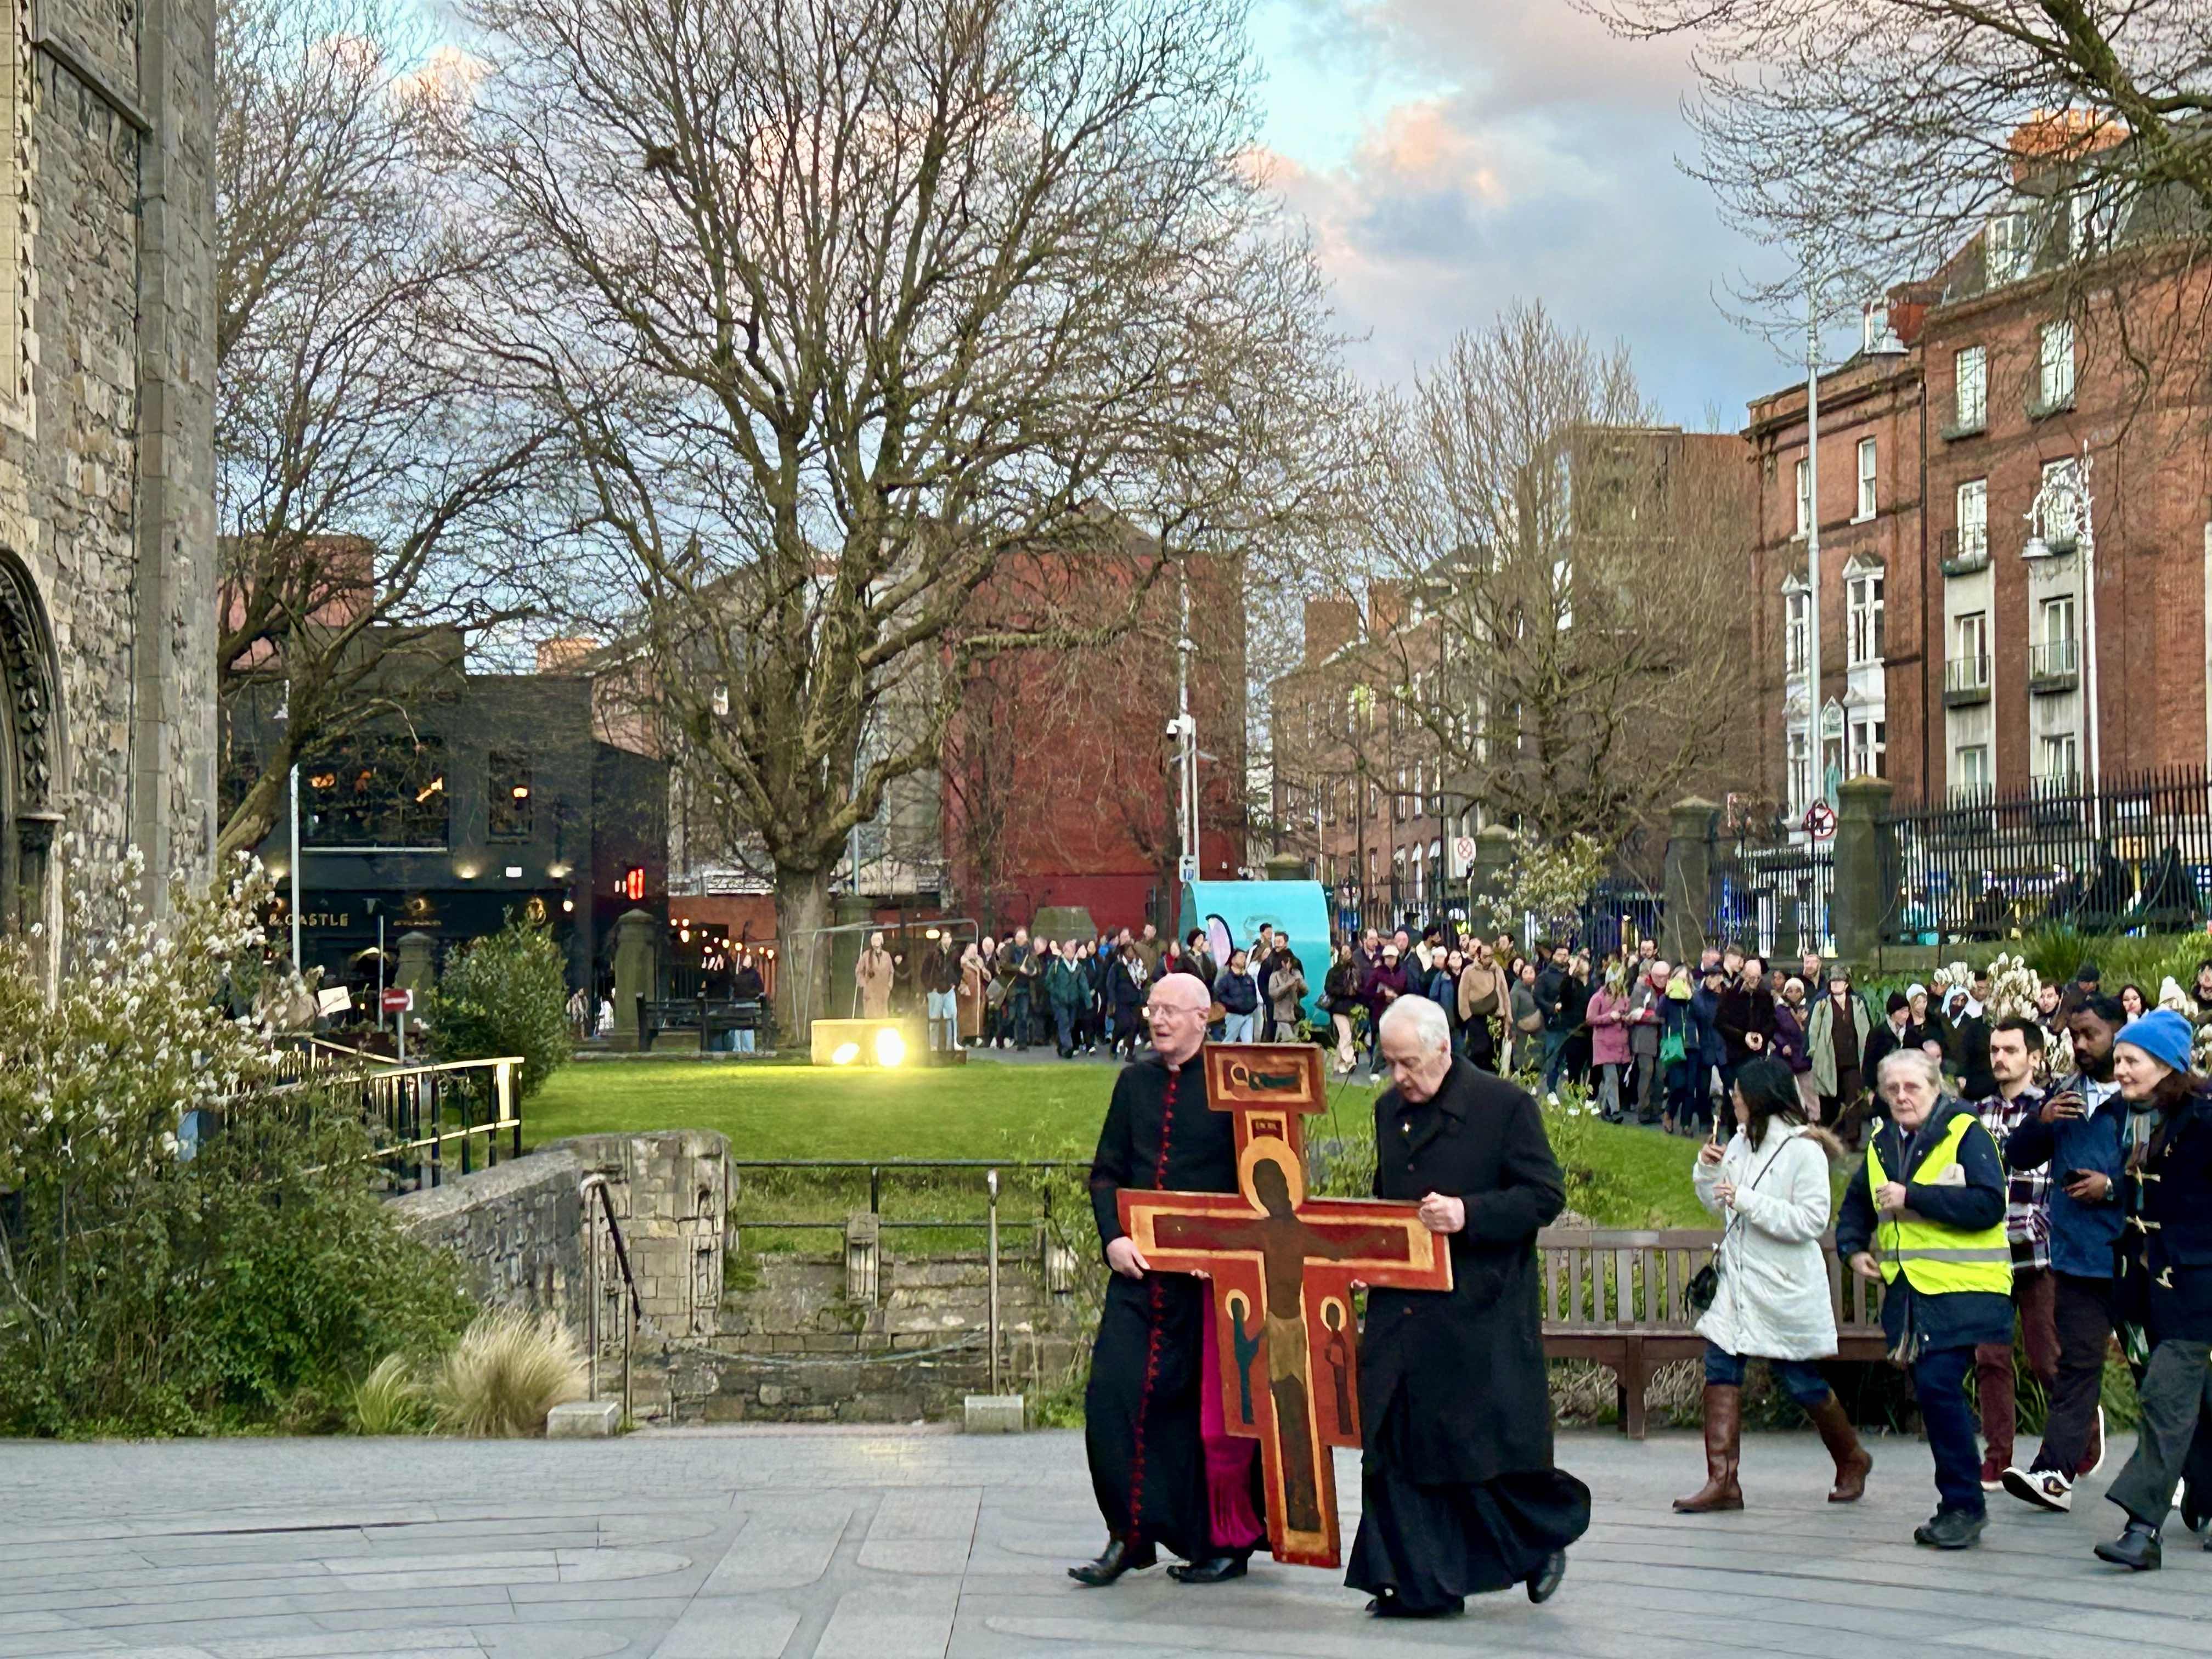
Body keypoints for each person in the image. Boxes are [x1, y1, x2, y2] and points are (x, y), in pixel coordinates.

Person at [1346, 996, 1590, 1617]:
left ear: (1442, 1051)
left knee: (1473, 1454)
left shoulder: (1504, 1107)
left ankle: (1537, 1539)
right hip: (1401, 1309)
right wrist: (1363, 1257)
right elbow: (1388, 1197)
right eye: (1391, 1064)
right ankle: (1412, 1581)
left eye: (1408, 1064)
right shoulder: (1387, 1111)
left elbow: (1543, 1195)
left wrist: (1468, 1214)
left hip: (1476, 1310)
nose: (1399, 1077)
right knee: (1395, 1444)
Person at [1072, 974, 1265, 1587]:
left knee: (1203, 1419)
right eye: (1153, 1009)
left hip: (1210, 1284)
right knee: (1110, 1398)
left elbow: (1262, 1184)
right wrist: (1113, 1238)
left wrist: (1232, 1250)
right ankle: (1127, 1536)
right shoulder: (1134, 1083)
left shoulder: (1234, 1086)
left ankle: (1220, 1542)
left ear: (1203, 1018)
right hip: (1138, 1275)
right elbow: (1106, 1174)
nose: (1156, 1020)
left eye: (1170, 1011)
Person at [1838, 1048, 2013, 1549]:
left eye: (1912, 1086)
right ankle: (1960, 1503)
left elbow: (1988, 1203)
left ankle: (1963, 1505)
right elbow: (1856, 1207)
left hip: (1966, 1291)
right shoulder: (1880, 1143)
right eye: (1892, 1088)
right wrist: (1852, 1250)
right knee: (1935, 1392)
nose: (1901, 1096)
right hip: (1913, 1296)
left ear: (1937, 1087)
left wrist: (1913, 1196)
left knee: (1937, 1386)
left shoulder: (1965, 1132)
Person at [1676, 1058, 1867, 1514]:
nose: (1734, 1102)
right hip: (1738, 1283)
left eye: (1740, 1095)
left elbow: (1811, 1221)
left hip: (1783, 1287)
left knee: (1799, 1378)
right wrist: (1707, 1171)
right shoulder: (1741, 1143)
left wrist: (1745, 1199)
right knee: (1721, 1366)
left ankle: (1852, 1457)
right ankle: (1723, 1482)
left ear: (1761, 1097)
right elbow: (1716, 1202)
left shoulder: (1804, 1150)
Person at [2089, 1006, 2212, 1570]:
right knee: (2191, 1401)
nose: (2121, 1070)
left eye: (2132, 1060)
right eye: (2119, 1059)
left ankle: (2143, 1530)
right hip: (2139, 1290)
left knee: (2167, 1399)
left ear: (2166, 1065)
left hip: (2195, 1288)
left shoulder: (2204, 1121)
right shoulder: (2131, 1116)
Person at [1995, 1000, 2125, 1510]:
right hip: (2074, 1258)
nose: (2081, 1045)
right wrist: (2042, 1120)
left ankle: (2196, 1474)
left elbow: (2168, 1177)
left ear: (2118, 1031)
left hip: (2130, 1260)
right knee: (2075, 1367)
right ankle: (2053, 1475)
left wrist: (2111, 1187)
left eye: (2091, 1034)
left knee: (2156, 1373)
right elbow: (2019, 1154)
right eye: (2074, 1035)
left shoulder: (2140, 1100)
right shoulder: (2065, 1093)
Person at [1967, 1018, 2059, 1492]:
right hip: (1988, 1254)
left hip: (2037, 1249)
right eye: (1995, 1049)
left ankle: (2077, 1438)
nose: (1999, 1058)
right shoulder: (1974, 1113)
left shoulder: (2050, 1109)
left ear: (2035, 1057)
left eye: (2010, 1050)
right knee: (1991, 1358)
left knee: (2047, 1357)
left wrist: (2045, 1223)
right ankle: (1998, 1455)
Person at [1810, 970, 1877, 1147]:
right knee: (1829, 1100)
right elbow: (1813, 1032)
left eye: (1839, 982)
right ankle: (1829, 1138)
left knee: (1853, 1101)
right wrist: (1813, 1053)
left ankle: (1852, 1139)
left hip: (1853, 1061)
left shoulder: (1857, 1003)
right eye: (1833, 982)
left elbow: (1866, 1029)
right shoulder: (1822, 1004)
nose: (1836, 984)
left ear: (1847, 984)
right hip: (1829, 1059)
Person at [1714, 955, 1776, 1098]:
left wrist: (1763, 1036)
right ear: (1744, 975)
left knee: (1755, 1094)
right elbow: (1720, 1023)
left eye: (1758, 978)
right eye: (1751, 977)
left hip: (1757, 1054)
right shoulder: (1730, 996)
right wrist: (1744, 1037)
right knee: (1735, 1094)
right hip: (1736, 1054)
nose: (1755, 981)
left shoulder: (1765, 997)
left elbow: (1772, 1022)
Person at [1623, 958, 1668, 1123]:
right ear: (1652, 974)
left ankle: (1657, 1111)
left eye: (1665, 976)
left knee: (1661, 1076)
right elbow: (1635, 1013)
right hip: (1644, 1038)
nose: (1662, 980)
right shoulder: (1641, 988)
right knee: (1646, 1073)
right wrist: (1658, 1018)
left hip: (1663, 1039)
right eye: (1659, 976)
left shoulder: (1670, 989)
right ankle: (1644, 1111)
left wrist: (1653, 1015)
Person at [1585, 968, 1632, 1122]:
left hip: (1620, 1045)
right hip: (1604, 1044)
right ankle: (1614, 1111)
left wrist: (1627, 1018)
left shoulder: (1625, 998)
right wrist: (1609, 1017)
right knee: (1611, 1077)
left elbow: (1628, 1015)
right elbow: (1590, 1019)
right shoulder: (1598, 998)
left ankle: (1605, 1107)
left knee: (1614, 1078)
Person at [1772, 977, 1816, 1119]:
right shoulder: (1780, 1010)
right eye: (1790, 991)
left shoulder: (1808, 1009)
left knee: (1809, 1091)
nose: (1794, 994)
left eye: (1798, 991)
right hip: (1786, 1056)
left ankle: (1814, 1119)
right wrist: (1783, 1044)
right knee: (1787, 1090)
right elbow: (1774, 1030)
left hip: (1803, 1055)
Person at [1457, 942, 1503, 1071]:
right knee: (1478, 1049)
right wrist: (1467, 1017)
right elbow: (1462, 995)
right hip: (1475, 1017)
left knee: (1492, 1050)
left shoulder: (1497, 970)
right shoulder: (1469, 971)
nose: (1488, 959)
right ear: (1478, 956)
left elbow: (1504, 992)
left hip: (1494, 1017)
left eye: (1491, 956)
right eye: (1485, 956)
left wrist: (1506, 1013)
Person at [1105, 943, 1148, 1059]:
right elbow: (1111, 984)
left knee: (1134, 1027)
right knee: (1123, 1025)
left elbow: (1143, 982)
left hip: (1136, 1001)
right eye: (1129, 951)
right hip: (1121, 1002)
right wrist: (1112, 1001)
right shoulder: (1117, 967)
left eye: (1133, 951)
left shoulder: (1139, 966)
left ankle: (1130, 1053)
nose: (1131, 953)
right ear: (1123, 952)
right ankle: (1114, 1046)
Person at [1324, 943, 1362, 1076]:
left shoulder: (1355, 970)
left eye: (1348, 952)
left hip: (1352, 1008)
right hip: (1338, 1008)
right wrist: (1344, 991)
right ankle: (1350, 1062)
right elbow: (1328, 988)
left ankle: (1336, 1065)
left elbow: (1360, 987)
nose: (1346, 954)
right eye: (1344, 952)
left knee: (1345, 1037)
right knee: (1346, 1034)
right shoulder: (1334, 972)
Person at [923, 935, 961, 1053]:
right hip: (935, 991)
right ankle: (933, 1047)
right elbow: (924, 972)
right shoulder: (933, 954)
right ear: (941, 940)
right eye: (944, 938)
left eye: (949, 937)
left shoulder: (955, 954)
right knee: (934, 1020)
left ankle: (952, 1044)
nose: (947, 940)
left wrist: (955, 984)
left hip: (949, 990)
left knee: (952, 1017)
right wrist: (931, 987)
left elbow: (959, 971)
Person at [1266, 948, 1308, 1042]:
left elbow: (1306, 991)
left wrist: (1300, 982)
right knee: (1289, 1040)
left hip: (1295, 1013)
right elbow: (1273, 994)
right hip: (1282, 1015)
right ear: (1282, 962)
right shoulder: (1275, 976)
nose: (1289, 964)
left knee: (1291, 1042)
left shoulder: (1296, 973)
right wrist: (1287, 985)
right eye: (1287, 961)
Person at [856, 930, 895, 1018]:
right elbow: (859, 971)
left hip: (883, 992)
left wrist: (889, 985)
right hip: (871, 992)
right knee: (871, 1016)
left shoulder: (887, 956)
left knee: (883, 1017)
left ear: (881, 941)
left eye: (878, 939)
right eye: (874, 940)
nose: (876, 942)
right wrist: (864, 984)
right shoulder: (866, 955)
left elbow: (891, 971)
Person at [732, 954, 766, 1054]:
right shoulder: (740, 974)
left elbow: (759, 988)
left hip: (749, 1003)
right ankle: (738, 1048)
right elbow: (735, 985)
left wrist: (750, 994)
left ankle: (748, 1049)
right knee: (738, 1027)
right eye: (745, 959)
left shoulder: (754, 974)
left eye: (747, 959)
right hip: (739, 1002)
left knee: (748, 1027)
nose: (745, 961)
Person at [957, 941, 986, 1047]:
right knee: (965, 1017)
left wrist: (982, 967)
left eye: (975, 951)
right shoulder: (962, 963)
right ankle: (964, 1038)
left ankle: (974, 1037)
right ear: (967, 950)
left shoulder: (977, 963)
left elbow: (987, 977)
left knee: (976, 1017)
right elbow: (958, 977)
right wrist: (963, 987)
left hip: (977, 995)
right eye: (972, 950)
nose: (974, 953)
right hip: (966, 995)